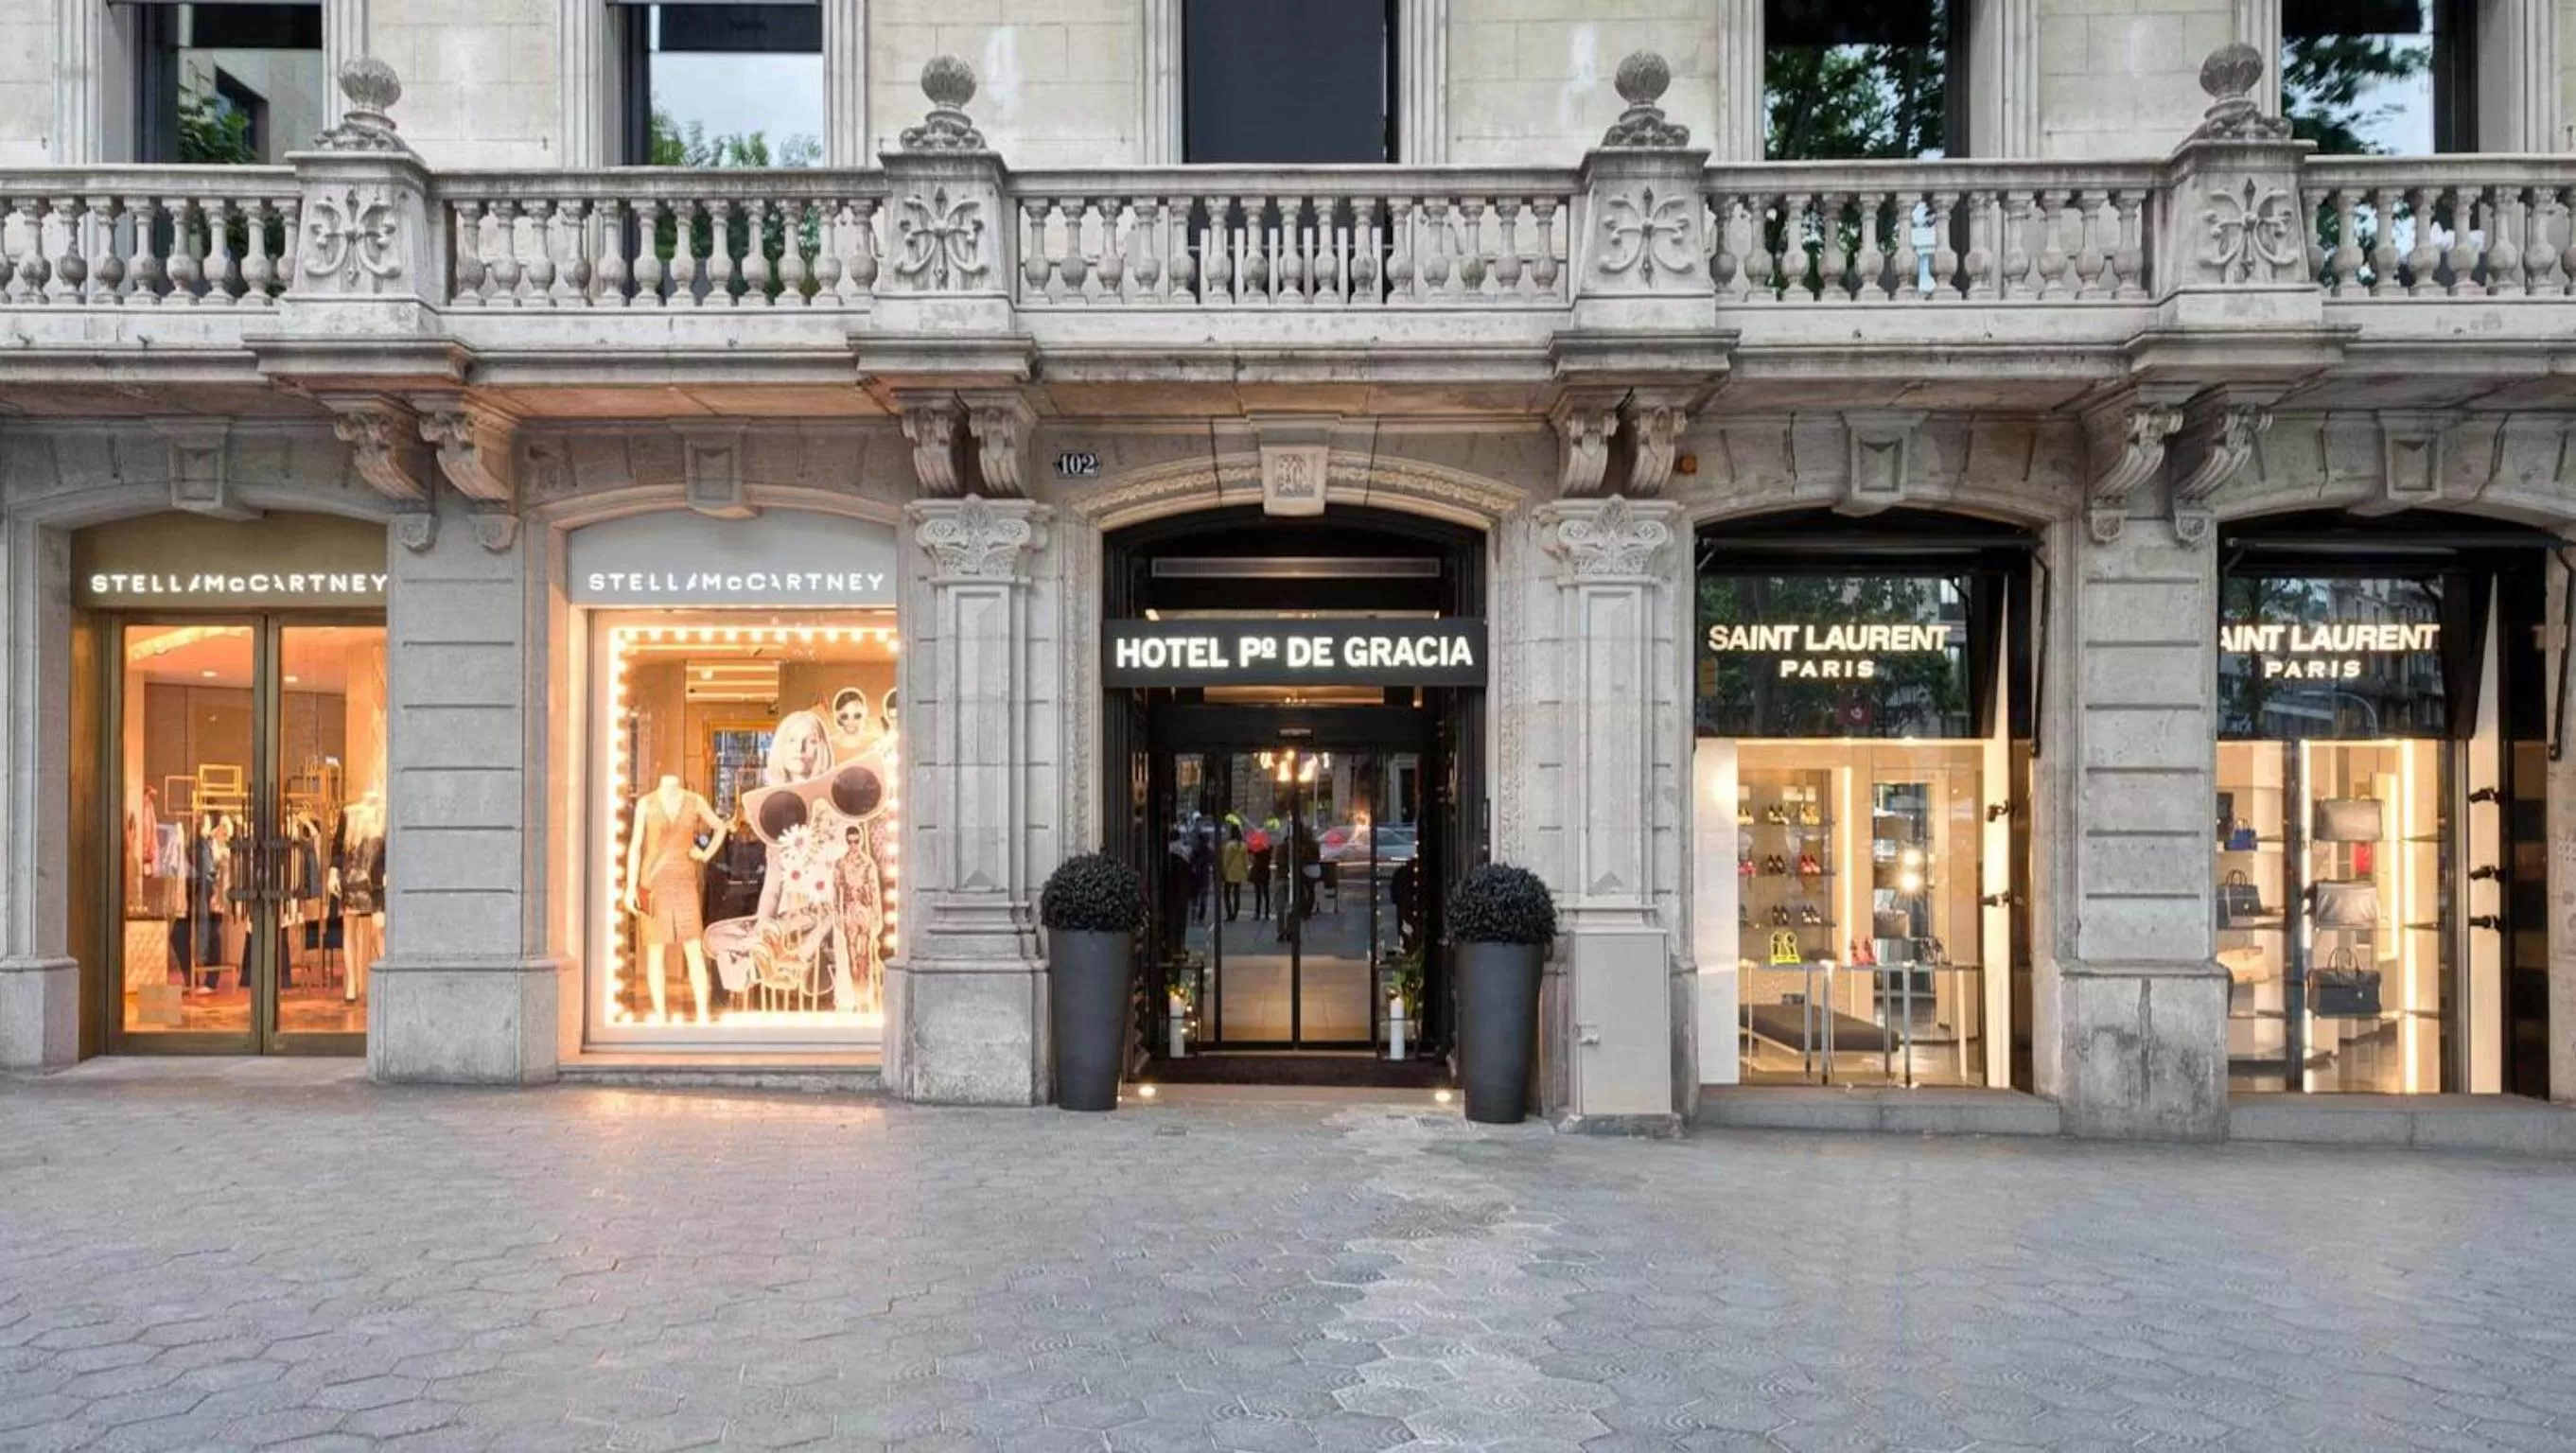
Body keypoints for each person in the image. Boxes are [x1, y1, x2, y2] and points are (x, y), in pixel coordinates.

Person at [1219, 825, 1250, 921]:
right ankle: (1235, 913)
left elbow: (1226, 860)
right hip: (1239, 872)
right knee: (1237, 894)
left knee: (1227, 894)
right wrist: (1247, 871)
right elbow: (1246, 861)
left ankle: (1229, 913)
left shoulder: (1229, 845)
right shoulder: (1243, 845)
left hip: (1230, 872)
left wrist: (1223, 871)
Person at [1246, 822, 1273, 919]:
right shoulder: (1268, 849)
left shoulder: (1256, 850)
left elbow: (1249, 851)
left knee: (1258, 893)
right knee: (1266, 893)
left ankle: (1257, 913)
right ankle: (1266, 913)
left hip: (1258, 872)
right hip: (1265, 872)